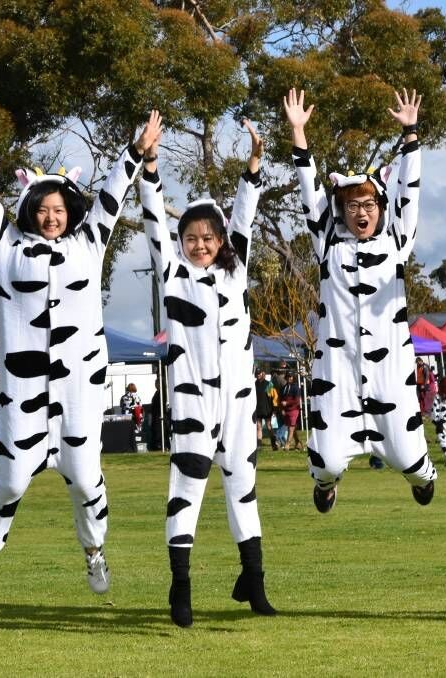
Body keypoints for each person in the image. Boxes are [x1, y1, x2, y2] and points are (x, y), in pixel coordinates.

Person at [0, 106, 150, 602]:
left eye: (60, 211)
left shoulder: (89, 244)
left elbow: (113, 197)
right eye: (44, 209)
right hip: (22, 394)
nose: (52, 217)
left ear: (71, 215)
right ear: (30, 209)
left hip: (78, 392)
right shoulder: (7, 243)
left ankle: (94, 553)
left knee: (88, 481)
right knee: (8, 483)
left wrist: (134, 152)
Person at [138, 112, 274, 628]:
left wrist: (255, 161)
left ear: (221, 242)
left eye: (208, 238)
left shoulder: (236, 274)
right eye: (191, 237)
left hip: (239, 401)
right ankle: (181, 587)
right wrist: (149, 160)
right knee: (188, 488)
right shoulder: (172, 274)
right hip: (194, 400)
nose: (200, 245)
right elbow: (152, 217)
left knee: (243, 487)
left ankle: (255, 582)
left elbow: (246, 215)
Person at [284, 87, 437, 513]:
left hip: (391, 372)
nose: (361, 211)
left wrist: (411, 134)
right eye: (352, 205)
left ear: (379, 205)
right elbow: (308, 189)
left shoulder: (396, 241)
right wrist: (299, 134)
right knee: (327, 461)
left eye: (368, 202)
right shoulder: (328, 243)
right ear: (341, 210)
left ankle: (424, 479)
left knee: (410, 459)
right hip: (339, 372)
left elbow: (411, 191)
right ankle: (325, 486)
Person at [254, 370, 278, 451]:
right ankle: (259, 446)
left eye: (259, 373)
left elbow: (274, 397)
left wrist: (274, 409)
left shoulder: (268, 384)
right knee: (258, 427)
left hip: (267, 409)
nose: (258, 375)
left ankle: (274, 444)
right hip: (257, 409)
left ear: (263, 374)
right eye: (257, 374)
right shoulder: (254, 384)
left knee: (269, 426)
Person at [278, 373, 303, 450]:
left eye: (291, 376)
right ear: (286, 378)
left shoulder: (296, 388)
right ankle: (298, 443)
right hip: (286, 411)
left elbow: (297, 401)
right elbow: (281, 399)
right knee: (293, 428)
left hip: (294, 410)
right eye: (288, 376)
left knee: (291, 428)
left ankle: (287, 445)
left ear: (293, 377)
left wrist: (287, 403)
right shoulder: (284, 388)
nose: (289, 378)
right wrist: (282, 409)